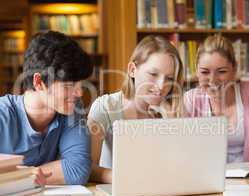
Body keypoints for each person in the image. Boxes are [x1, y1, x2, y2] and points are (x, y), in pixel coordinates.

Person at [0, 31, 93, 185]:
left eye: (80, 83)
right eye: (69, 84)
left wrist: (15, 177)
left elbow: (77, 170)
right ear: (39, 81)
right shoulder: (3, 114)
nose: (80, 92)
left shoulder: (73, 108)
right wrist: (31, 176)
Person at [87, 35, 184, 183]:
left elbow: (179, 166)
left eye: (169, 79)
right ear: (132, 70)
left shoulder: (168, 111)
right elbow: (87, 168)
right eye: (153, 74)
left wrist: (172, 123)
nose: (160, 86)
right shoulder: (106, 107)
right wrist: (125, 178)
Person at [184, 34, 249, 163]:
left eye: (221, 72)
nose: (213, 80)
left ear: (234, 69)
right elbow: (184, 155)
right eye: (205, 72)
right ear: (197, 71)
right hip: (205, 181)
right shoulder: (190, 100)